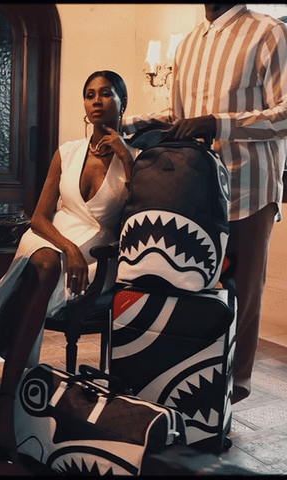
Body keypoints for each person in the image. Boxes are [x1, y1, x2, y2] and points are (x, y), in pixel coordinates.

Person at [0, 70, 135, 463]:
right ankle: (6, 398)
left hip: (97, 254)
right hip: (52, 238)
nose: (96, 101)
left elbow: (139, 214)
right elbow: (39, 218)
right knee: (46, 263)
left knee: (30, 286)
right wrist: (69, 249)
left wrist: (126, 158)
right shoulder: (67, 152)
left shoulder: (135, 159)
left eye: (106, 94)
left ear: (122, 102)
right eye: (89, 94)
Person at [123, 4, 287, 404]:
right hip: (195, 186)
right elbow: (180, 117)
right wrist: (128, 123)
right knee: (191, 286)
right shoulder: (189, 44)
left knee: (242, 293)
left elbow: (284, 114)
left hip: (250, 187)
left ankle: (231, 392)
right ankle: (190, 384)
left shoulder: (268, 32)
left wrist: (218, 123)